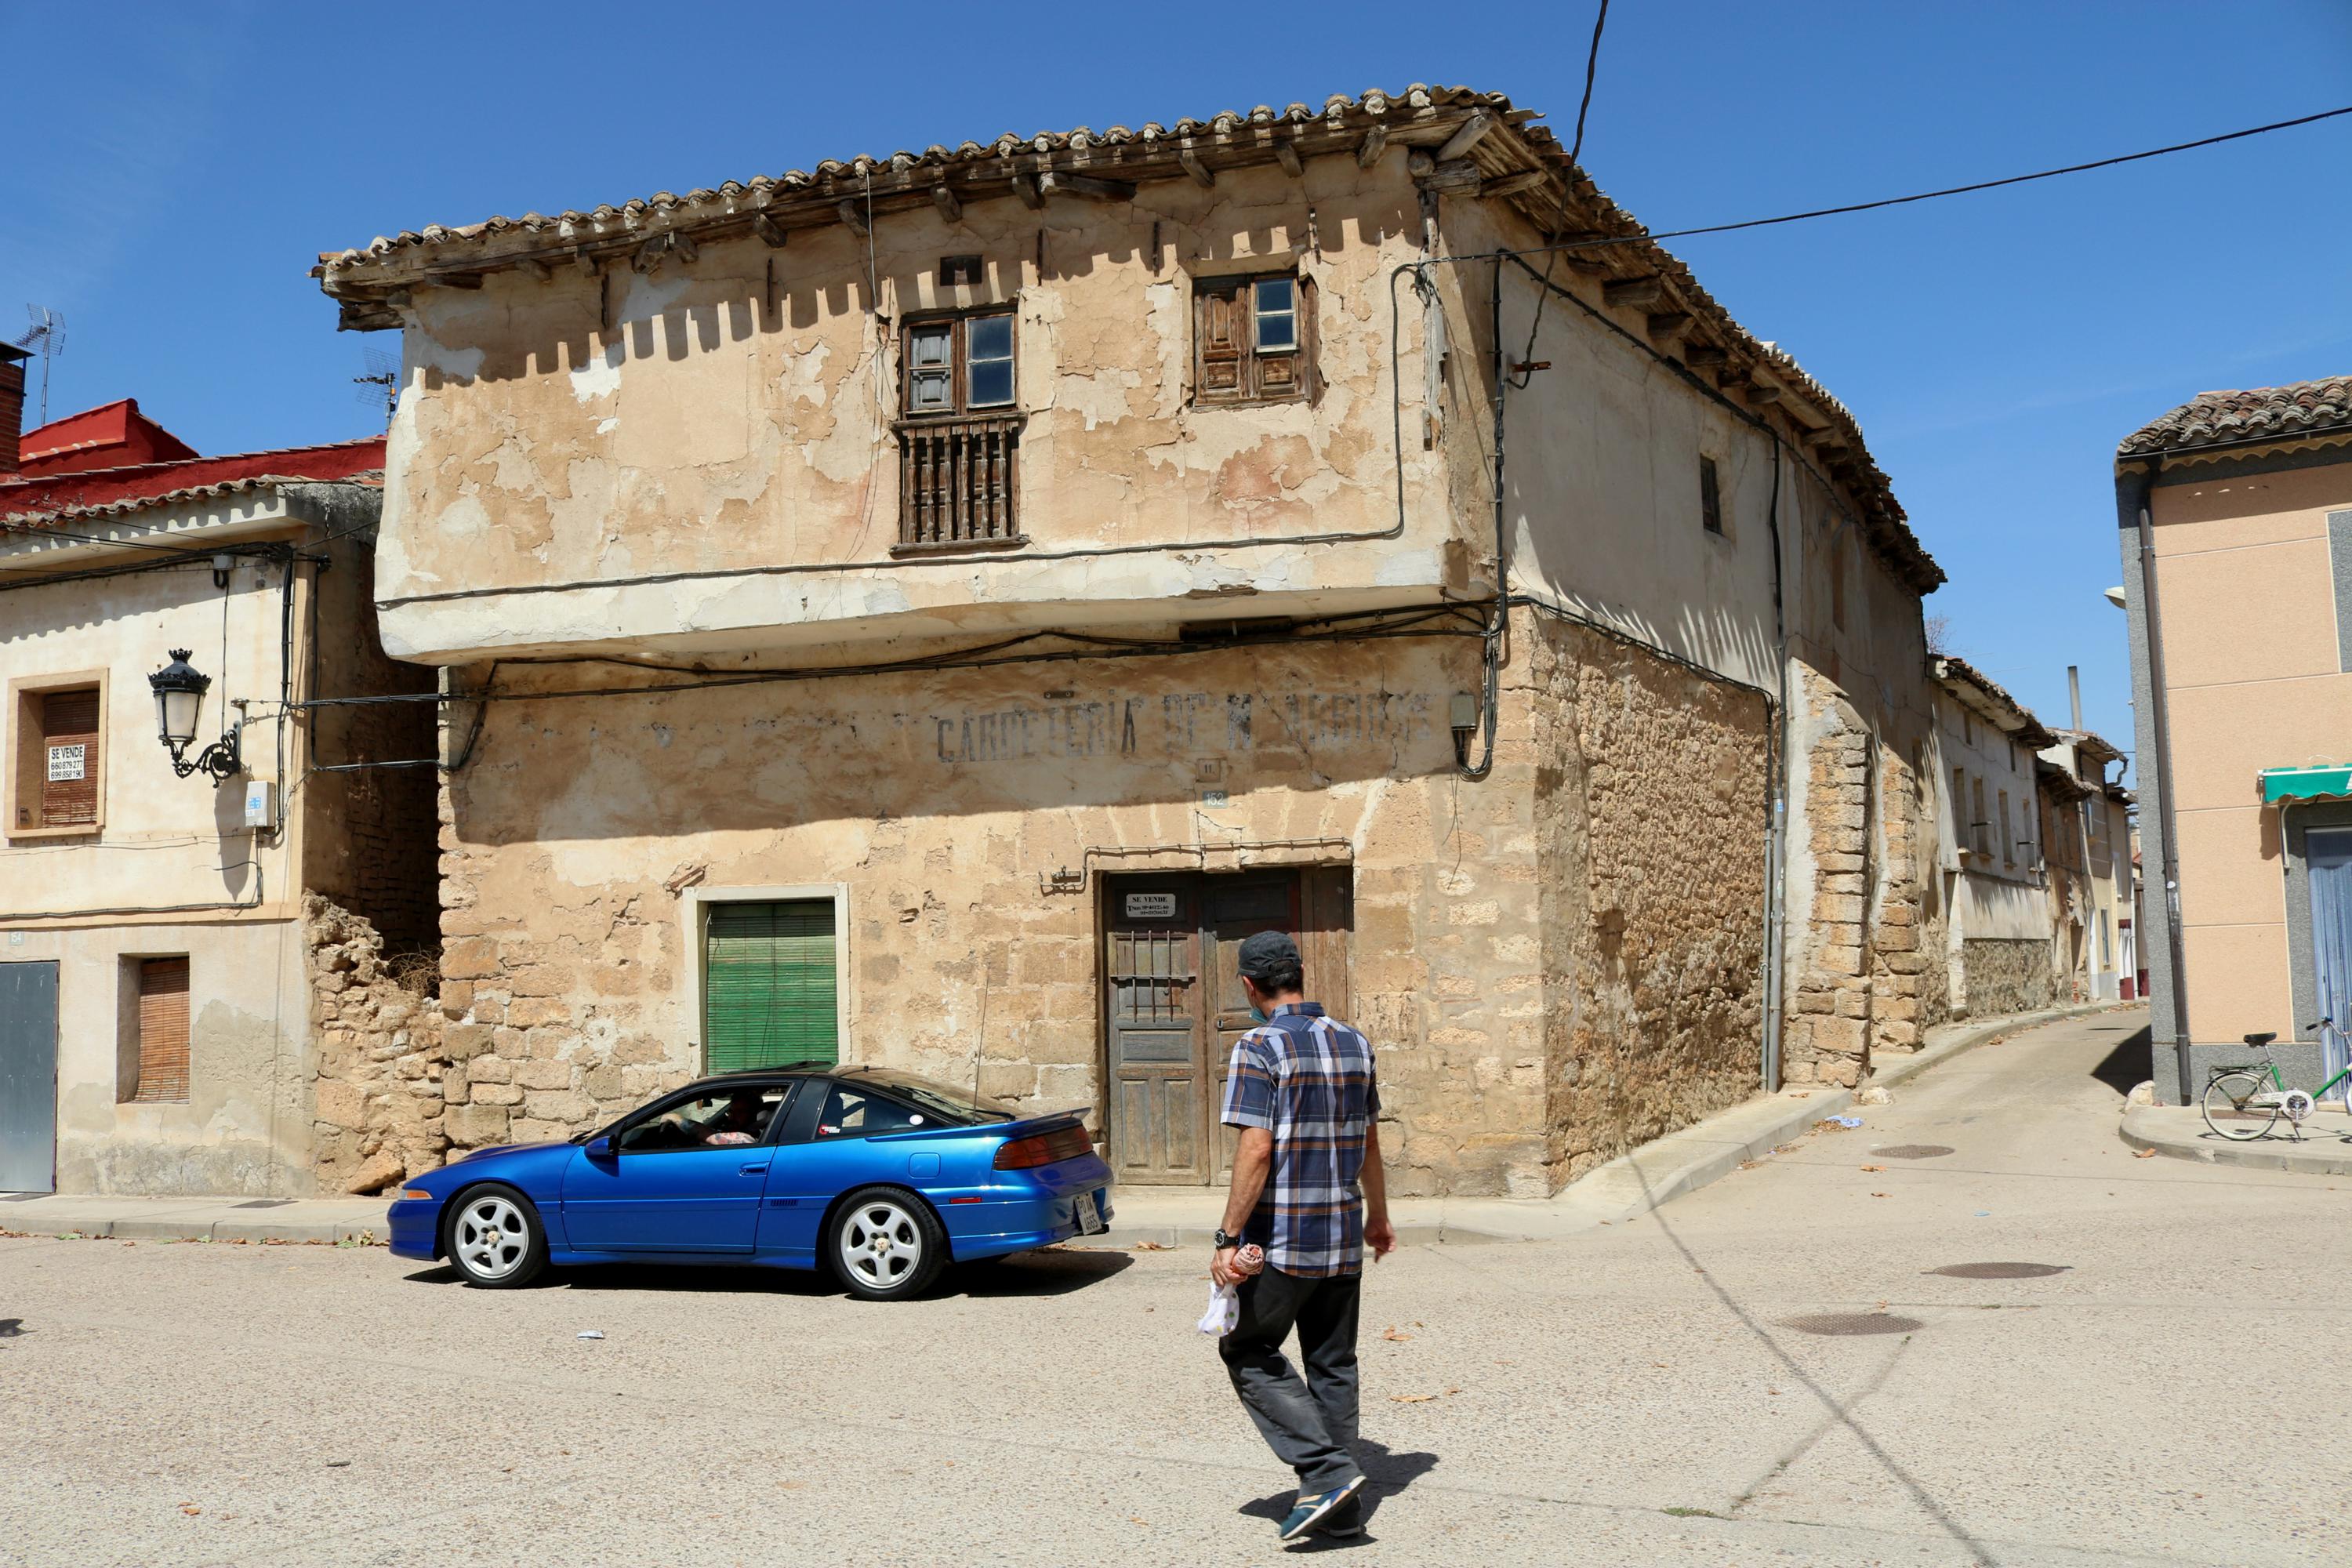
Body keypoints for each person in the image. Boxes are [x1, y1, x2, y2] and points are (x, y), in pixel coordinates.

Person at [1211, 928, 1395, 1544]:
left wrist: (1227, 1235)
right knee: (1333, 1364)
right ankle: (1340, 1511)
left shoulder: (1258, 1048)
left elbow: (1256, 1147)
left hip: (1282, 1241)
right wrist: (1379, 1216)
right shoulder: (1354, 1043)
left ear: (1248, 985)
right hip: (1341, 1237)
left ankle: (1323, 1471)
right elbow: (1369, 1139)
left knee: (1247, 1351)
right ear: (1299, 975)